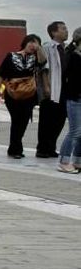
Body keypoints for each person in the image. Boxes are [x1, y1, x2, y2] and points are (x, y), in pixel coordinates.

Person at [0, 34, 45, 159]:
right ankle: (15, 149)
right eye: (31, 42)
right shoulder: (11, 56)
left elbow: (43, 61)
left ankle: (15, 148)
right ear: (25, 42)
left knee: (24, 121)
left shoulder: (35, 58)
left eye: (36, 43)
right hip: (12, 92)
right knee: (16, 120)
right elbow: (0, 74)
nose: (33, 45)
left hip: (29, 93)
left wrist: (39, 49)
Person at [37, 21, 69, 158]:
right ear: (54, 32)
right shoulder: (47, 47)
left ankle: (51, 147)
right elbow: (43, 68)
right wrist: (46, 86)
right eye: (63, 29)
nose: (66, 31)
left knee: (60, 119)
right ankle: (42, 148)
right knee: (46, 121)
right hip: (51, 89)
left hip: (64, 89)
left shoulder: (66, 49)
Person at [56, 28, 81, 173]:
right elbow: (70, 79)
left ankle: (77, 160)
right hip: (74, 97)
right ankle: (64, 161)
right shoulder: (72, 56)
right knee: (75, 132)